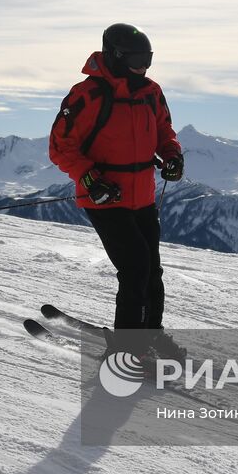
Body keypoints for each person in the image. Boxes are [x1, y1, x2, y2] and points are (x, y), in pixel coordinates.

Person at [48, 23, 186, 361]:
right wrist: (90, 179)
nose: (143, 66)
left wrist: (172, 155)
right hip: (104, 198)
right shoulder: (87, 95)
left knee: (152, 270)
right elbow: (59, 147)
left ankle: (151, 336)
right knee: (136, 268)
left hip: (142, 196)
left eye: (148, 59)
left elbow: (164, 131)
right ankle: (129, 349)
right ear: (116, 56)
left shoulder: (151, 92)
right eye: (137, 58)